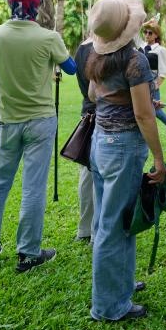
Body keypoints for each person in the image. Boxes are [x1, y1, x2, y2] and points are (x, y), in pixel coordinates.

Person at [0, 0, 76, 273]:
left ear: (10, 3)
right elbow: (71, 68)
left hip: (6, 121)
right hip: (41, 121)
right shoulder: (49, 37)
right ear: (38, 6)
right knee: (33, 187)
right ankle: (28, 252)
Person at [86, 0, 166, 322]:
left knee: (121, 221)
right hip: (123, 147)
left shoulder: (97, 56)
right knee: (112, 226)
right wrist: (159, 161)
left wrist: (136, 98)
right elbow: (144, 116)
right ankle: (108, 306)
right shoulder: (135, 60)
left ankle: (122, 285)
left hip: (100, 143)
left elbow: (95, 95)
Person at [72, 32, 97, 243]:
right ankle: (96, 230)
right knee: (98, 174)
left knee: (87, 174)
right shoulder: (101, 47)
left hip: (87, 113)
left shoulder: (81, 48)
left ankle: (85, 228)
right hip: (103, 115)